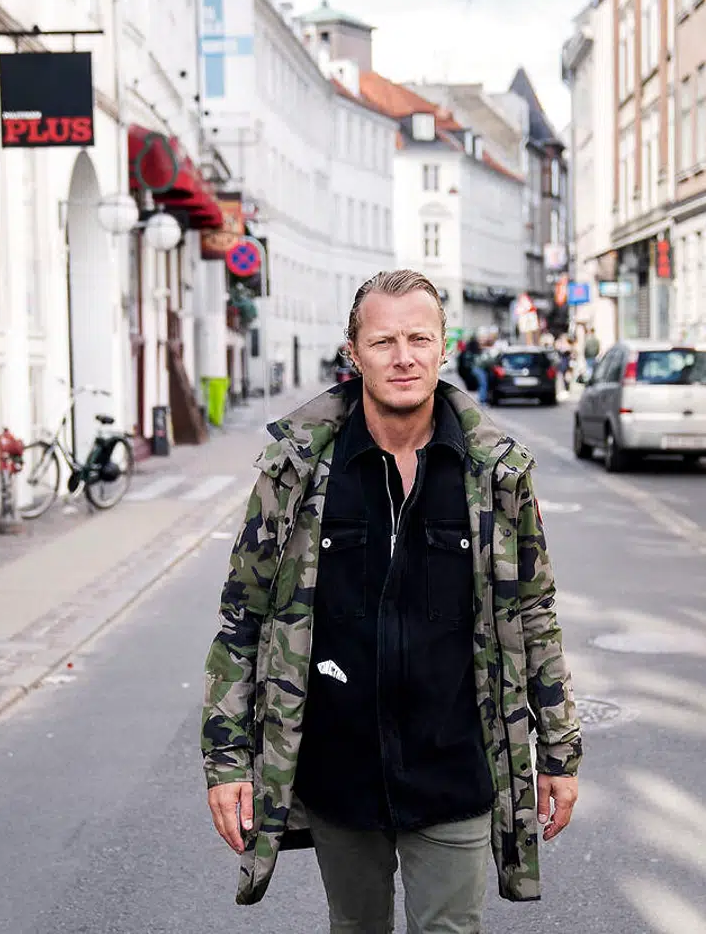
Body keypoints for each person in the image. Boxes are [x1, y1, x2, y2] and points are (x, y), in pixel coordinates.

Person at [202, 269, 583, 931]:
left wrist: (558, 753)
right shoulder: (297, 472)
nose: (403, 356)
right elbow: (244, 614)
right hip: (337, 770)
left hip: (455, 766)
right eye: (383, 342)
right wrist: (226, 758)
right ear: (353, 353)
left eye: (418, 338)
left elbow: (534, 611)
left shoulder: (495, 473)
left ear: (444, 348)